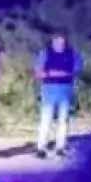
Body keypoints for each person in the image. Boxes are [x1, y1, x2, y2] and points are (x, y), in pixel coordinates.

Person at [35, 29, 82, 158]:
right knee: (46, 119)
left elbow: (77, 70)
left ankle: (60, 147)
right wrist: (54, 74)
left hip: (65, 89)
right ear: (53, 41)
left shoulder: (72, 54)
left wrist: (55, 73)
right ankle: (41, 147)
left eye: (62, 42)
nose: (60, 44)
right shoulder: (45, 53)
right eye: (58, 42)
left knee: (63, 120)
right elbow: (38, 73)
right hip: (49, 89)